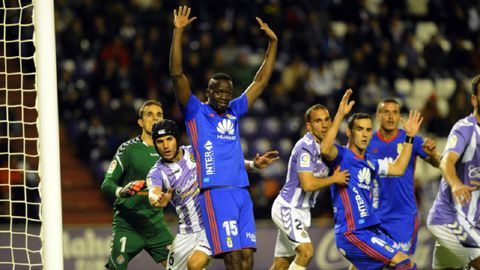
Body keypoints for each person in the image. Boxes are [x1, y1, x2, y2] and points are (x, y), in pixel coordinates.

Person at [169, 5, 277, 270]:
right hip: (216, 193)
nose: (224, 96)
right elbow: (176, 74)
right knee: (231, 257)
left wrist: (273, 43)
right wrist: (178, 33)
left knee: (247, 256)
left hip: (241, 190)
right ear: (208, 93)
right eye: (218, 92)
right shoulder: (196, 112)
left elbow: (260, 81)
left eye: (228, 92)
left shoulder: (235, 111)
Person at [146, 119, 279, 270]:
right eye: (159, 141)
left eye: (169, 139)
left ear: (176, 138)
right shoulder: (157, 172)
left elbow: (227, 165)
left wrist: (253, 165)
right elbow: (153, 192)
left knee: (195, 264)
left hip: (211, 223)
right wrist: (158, 200)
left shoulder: (196, 152)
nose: (165, 146)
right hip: (186, 233)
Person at [320, 89, 423, 269]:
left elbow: (398, 168)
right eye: (360, 129)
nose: (366, 134)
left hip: (369, 231)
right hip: (353, 233)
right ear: (349, 133)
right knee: (406, 265)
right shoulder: (341, 156)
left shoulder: (369, 162)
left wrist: (410, 137)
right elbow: (325, 149)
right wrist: (340, 114)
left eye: (368, 129)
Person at [269, 104, 350, 270]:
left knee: (281, 265)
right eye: (318, 121)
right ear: (309, 125)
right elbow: (308, 184)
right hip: (288, 208)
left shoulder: (327, 149)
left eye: (327, 119)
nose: (324, 124)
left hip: (302, 211)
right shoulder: (305, 147)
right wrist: (334, 179)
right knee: (306, 252)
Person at [101, 100, 174, 270]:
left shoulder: (170, 151)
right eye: (149, 114)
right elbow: (107, 184)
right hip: (128, 225)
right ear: (141, 122)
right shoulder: (128, 149)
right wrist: (122, 191)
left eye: (159, 115)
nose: (155, 118)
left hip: (156, 226)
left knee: (184, 266)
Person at [366, 98, 440, 254]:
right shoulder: (367, 142)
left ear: (400, 116)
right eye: (386, 112)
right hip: (374, 214)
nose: (391, 117)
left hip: (403, 215)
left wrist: (433, 155)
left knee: (400, 263)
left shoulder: (411, 139)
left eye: (395, 112)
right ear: (378, 116)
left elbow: (439, 163)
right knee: (367, 263)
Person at [427, 75, 480, 270]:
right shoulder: (465, 128)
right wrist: (456, 183)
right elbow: (448, 162)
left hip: (472, 224)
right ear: (474, 100)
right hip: (450, 219)